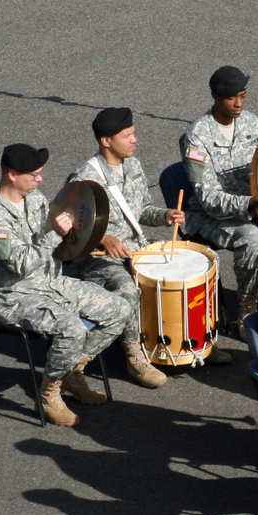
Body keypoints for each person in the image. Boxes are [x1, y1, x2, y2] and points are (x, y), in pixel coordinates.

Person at [0, 143, 132, 427]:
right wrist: (56, 235)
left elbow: (63, 236)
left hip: (52, 283)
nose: (40, 180)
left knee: (120, 308)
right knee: (70, 328)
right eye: (34, 175)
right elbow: (20, 265)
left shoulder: (35, 199)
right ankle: (49, 392)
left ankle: (72, 371)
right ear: (12, 175)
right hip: (17, 297)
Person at [66, 107, 190, 386]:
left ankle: (187, 341)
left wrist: (165, 215)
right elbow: (66, 228)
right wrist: (103, 239)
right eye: (128, 135)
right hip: (98, 259)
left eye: (133, 134)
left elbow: (142, 210)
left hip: (135, 249)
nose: (135, 140)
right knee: (127, 289)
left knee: (180, 272)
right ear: (106, 141)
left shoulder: (133, 165)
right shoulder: (85, 179)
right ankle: (135, 355)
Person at [179, 65, 258, 318]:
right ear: (216, 97)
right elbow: (208, 199)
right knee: (252, 239)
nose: (239, 104)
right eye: (231, 98)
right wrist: (253, 202)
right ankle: (247, 307)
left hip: (257, 204)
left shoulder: (251, 122)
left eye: (243, 96)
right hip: (213, 217)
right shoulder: (196, 138)